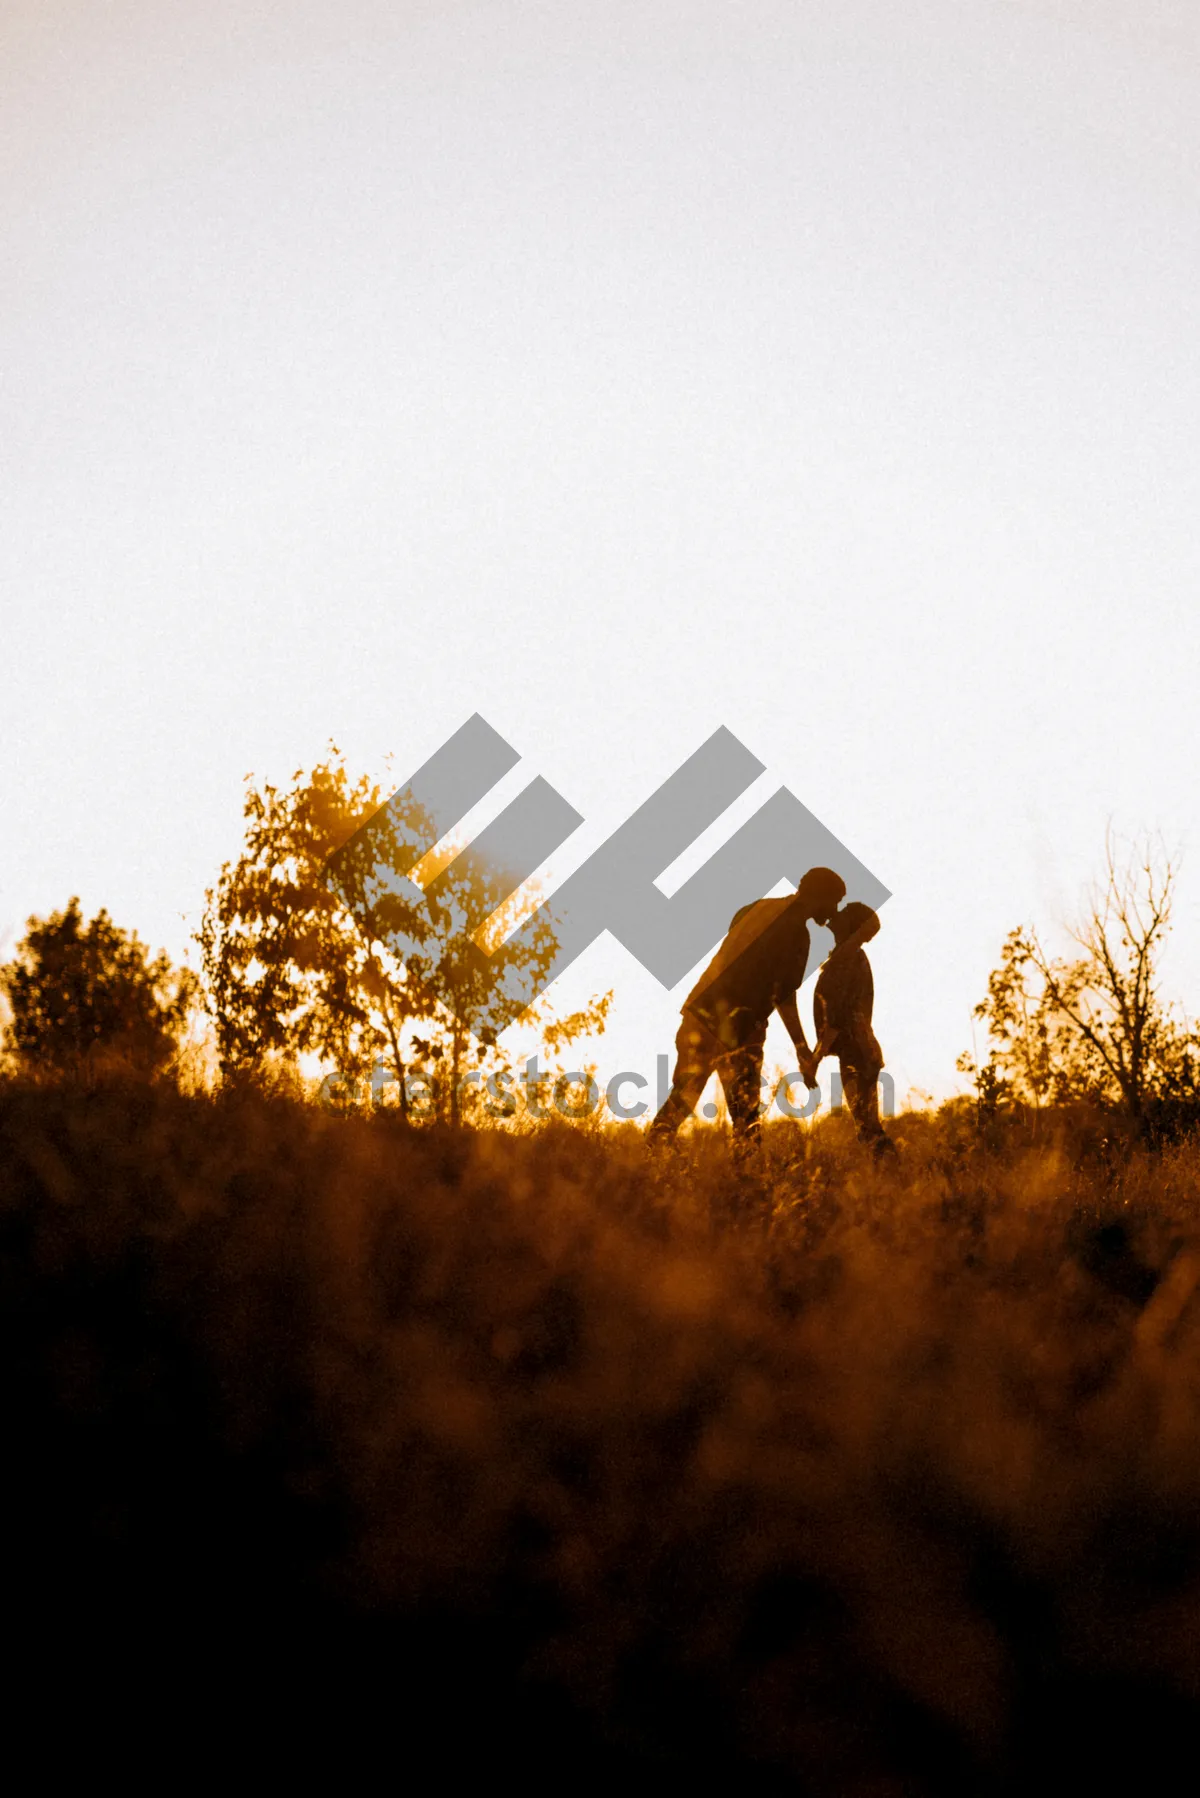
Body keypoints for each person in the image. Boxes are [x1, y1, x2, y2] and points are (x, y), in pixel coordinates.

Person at [649, 865, 847, 1143]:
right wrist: (802, 1049)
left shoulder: (754, 908)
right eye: (834, 902)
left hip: (699, 1015)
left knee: (681, 1100)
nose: (835, 911)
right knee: (746, 1119)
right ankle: (748, 1182)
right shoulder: (797, 934)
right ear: (820, 895)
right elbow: (784, 997)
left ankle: (651, 1159)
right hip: (739, 1032)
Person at [803, 901, 895, 1155]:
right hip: (861, 1050)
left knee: (868, 1128)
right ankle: (891, 1176)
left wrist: (814, 1060)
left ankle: (892, 1174)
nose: (834, 919)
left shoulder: (847, 962)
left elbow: (836, 1019)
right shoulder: (847, 959)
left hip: (858, 1051)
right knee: (867, 1127)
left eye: (843, 916)